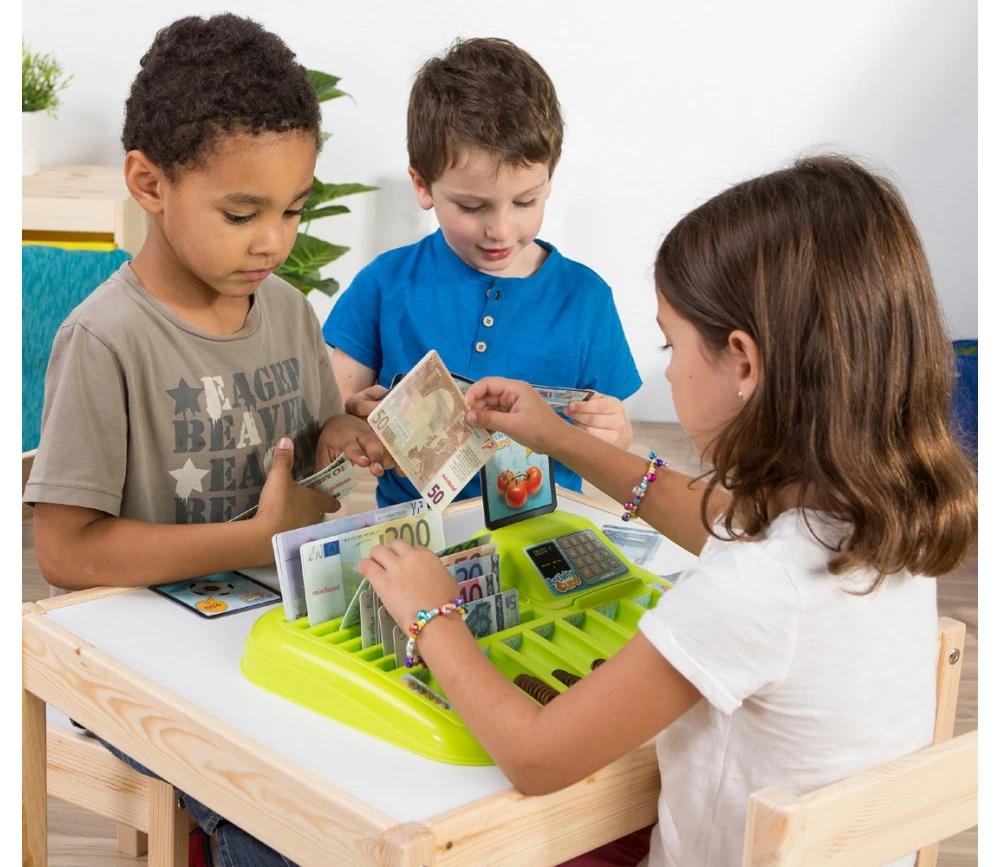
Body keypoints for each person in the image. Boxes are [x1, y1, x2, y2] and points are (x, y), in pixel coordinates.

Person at [357, 155, 978, 867]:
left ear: (743, 362)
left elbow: (535, 756)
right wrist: (560, 437)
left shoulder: (753, 591)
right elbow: (726, 522)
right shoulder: (881, 518)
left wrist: (434, 615)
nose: (669, 368)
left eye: (671, 343)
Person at [22, 13, 390, 866]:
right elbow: (65, 552)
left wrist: (342, 433)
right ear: (149, 183)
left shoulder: (289, 312)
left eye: (293, 210)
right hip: (148, 663)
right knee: (280, 825)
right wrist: (251, 539)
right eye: (241, 212)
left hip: (273, 635)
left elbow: (305, 458)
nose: (274, 240)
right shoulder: (106, 339)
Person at [321, 37, 642, 507]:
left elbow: (616, 440)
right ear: (422, 186)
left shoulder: (586, 299)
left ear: (550, 177)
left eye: (525, 201)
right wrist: (354, 416)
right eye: (472, 206)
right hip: (414, 531)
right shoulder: (386, 282)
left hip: (541, 530)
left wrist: (615, 432)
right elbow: (336, 406)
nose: (500, 230)